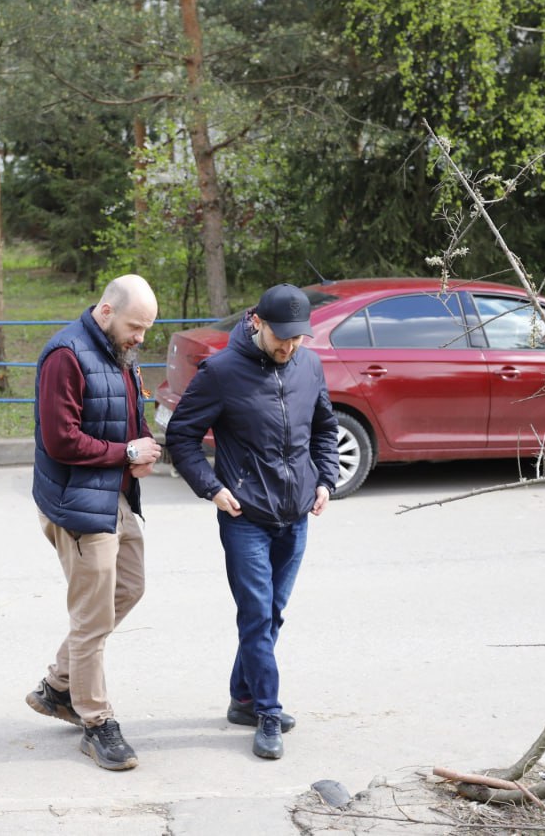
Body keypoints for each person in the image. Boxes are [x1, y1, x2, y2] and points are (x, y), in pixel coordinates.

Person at [165, 283, 338, 761]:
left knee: (272, 614)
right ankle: (266, 711)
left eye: (297, 339)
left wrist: (327, 479)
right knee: (257, 616)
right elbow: (180, 437)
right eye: (282, 338)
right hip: (245, 517)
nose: (289, 347)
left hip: (297, 514)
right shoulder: (221, 372)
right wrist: (213, 488)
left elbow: (324, 427)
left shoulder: (310, 364)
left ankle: (242, 698)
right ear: (257, 323)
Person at [26, 274, 161, 771]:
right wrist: (125, 452)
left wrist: (142, 445)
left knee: (130, 586)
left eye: (146, 329)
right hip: (77, 505)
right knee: (93, 619)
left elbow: (130, 413)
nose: (141, 337)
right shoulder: (66, 355)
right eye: (135, 326)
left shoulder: (118, 351)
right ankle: (95, 721)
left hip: (116, 495)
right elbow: (60, 440)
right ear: (106, 311)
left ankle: (60, 684)